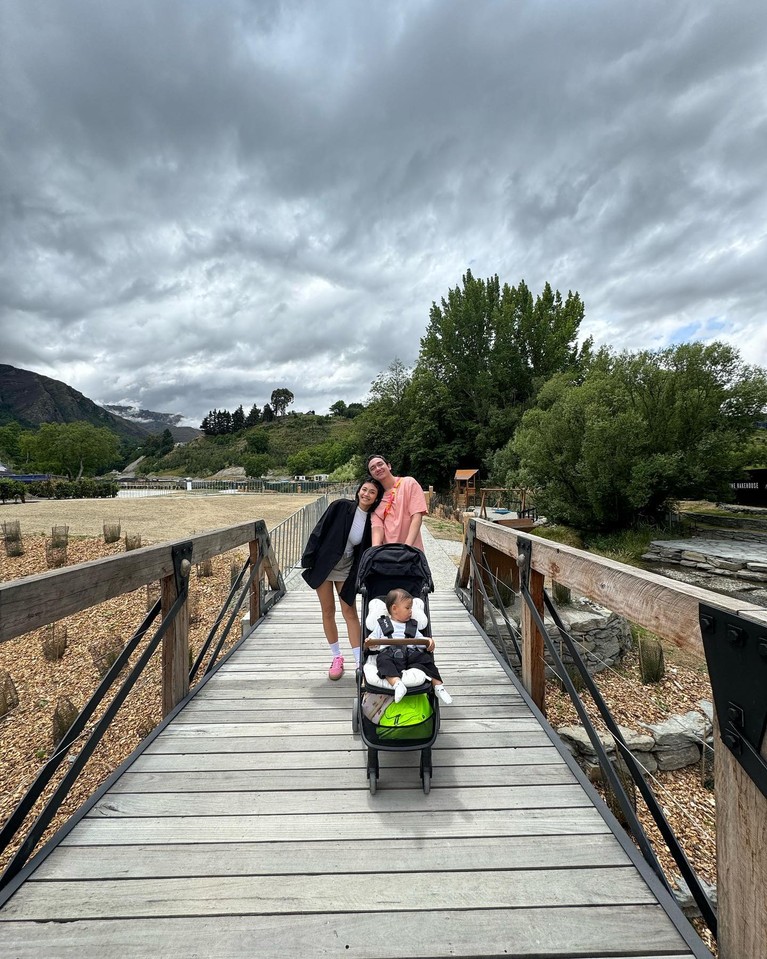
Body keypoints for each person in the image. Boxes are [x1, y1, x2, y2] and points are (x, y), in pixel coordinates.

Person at [301, 477, 384, 681]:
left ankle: (359, 661)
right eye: (364, 489)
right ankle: (337, 657)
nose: (366, 494)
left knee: (350, 612)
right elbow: (319, 531)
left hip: (346, 567)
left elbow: (367, 549)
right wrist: (308, 559)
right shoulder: (340, 506)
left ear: (376, 498)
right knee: (328, 611)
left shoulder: (373, 520)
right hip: (324, 563)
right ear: (358, 491)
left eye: (372, 492)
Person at [368, 588, 452, 705]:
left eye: (411, 608)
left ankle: (438, 686)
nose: (411, 611)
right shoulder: (383, 624)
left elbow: (419, 639)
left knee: (425, 660)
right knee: (382, 661)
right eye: (407, 608)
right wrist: (371, 642)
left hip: (410, 653)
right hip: (388, 653)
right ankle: (397, 684)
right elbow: (372, 640)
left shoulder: (412, 625)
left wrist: (427, 641)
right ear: (394, 609)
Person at [366, 454, 427, 551]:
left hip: (411, 552)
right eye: (372, 468)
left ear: (389, 466)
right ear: (371, 474)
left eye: (380, 464)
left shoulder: (409, 483)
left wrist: (407, 548)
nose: (377, 469)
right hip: (389, 555)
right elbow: (377, 528)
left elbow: (416, 516)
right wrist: (374, 552)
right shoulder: (376, 498)